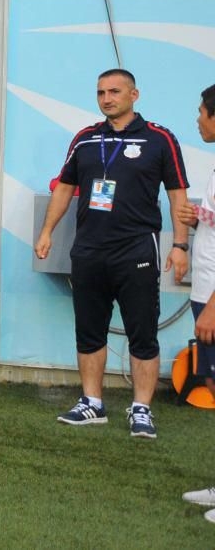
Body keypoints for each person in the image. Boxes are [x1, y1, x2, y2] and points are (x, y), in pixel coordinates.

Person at [35, 69, 190, 439]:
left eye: (115, 91)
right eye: (101, 92)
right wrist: (46, 232)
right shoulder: (86, 139)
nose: (107, 98)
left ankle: (141, 409)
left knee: (143, 333)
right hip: (88, 251)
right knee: (89, 331)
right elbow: (64, 188)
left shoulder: (159, 139)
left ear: (134, 94)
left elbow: (177, 195)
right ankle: (92, 403)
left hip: (136, 250)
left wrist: (180, 245)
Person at [181, 85, 215, 520]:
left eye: (203, 112)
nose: (199, 120)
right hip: (203, 291)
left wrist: (213, 305)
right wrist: (199, 218)